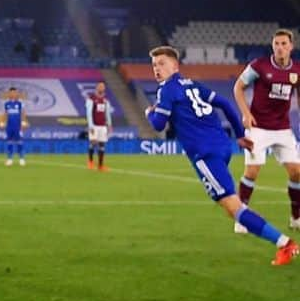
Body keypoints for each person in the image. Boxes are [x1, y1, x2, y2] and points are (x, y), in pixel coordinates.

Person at [146, 46, 298, 266]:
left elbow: (158, 125)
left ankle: (284, 244)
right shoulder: (194, 85)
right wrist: (239, 135)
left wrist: (150, 113)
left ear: (174, 65)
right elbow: (225, 104)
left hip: (204, 153)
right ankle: (281, 241)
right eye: (154, 65)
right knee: (231, 205)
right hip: (222, 147)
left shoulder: (166, 90)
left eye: (161, 63)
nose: (157, 69)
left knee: (233, 207)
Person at [231, 29, 300, 234]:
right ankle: (241, 217)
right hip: (258, 127)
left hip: (283, 129)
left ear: (291, 47)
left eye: (283, 44)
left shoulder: (296, 70)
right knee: (252, 171)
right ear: (272, 46)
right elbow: (238, 87)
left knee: (297, 172)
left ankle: (296, 218)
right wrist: (245, 113)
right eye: (276, 43)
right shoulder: (259, 66)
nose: (280, 47)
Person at [85, 81, 113, 171]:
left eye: (103, 86)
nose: (101, 88)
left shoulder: (105, 101)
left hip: (103, 126)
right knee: (93, 143)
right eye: (100, 86)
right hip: (94, 126)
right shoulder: (91, 99)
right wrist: (91, 126)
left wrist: (109, 125)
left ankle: (100, 166)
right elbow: (89, 113)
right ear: (97, 87)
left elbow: (107, 114)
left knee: (102, 145)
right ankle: (90, 162)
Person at [3, 87, 28, 166]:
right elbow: (6, 113)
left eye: (15, 92)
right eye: (11, 92)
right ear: (9, 93)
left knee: (19, 142)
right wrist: (3, 122)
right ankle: (10, 159)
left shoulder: (20, 103)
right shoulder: (7, 104)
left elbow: (23, 113)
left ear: (17, 93)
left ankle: (21, 159)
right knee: (9, 142)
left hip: (17, 126)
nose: (13, 94)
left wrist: (23, 122)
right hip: (9, 126)